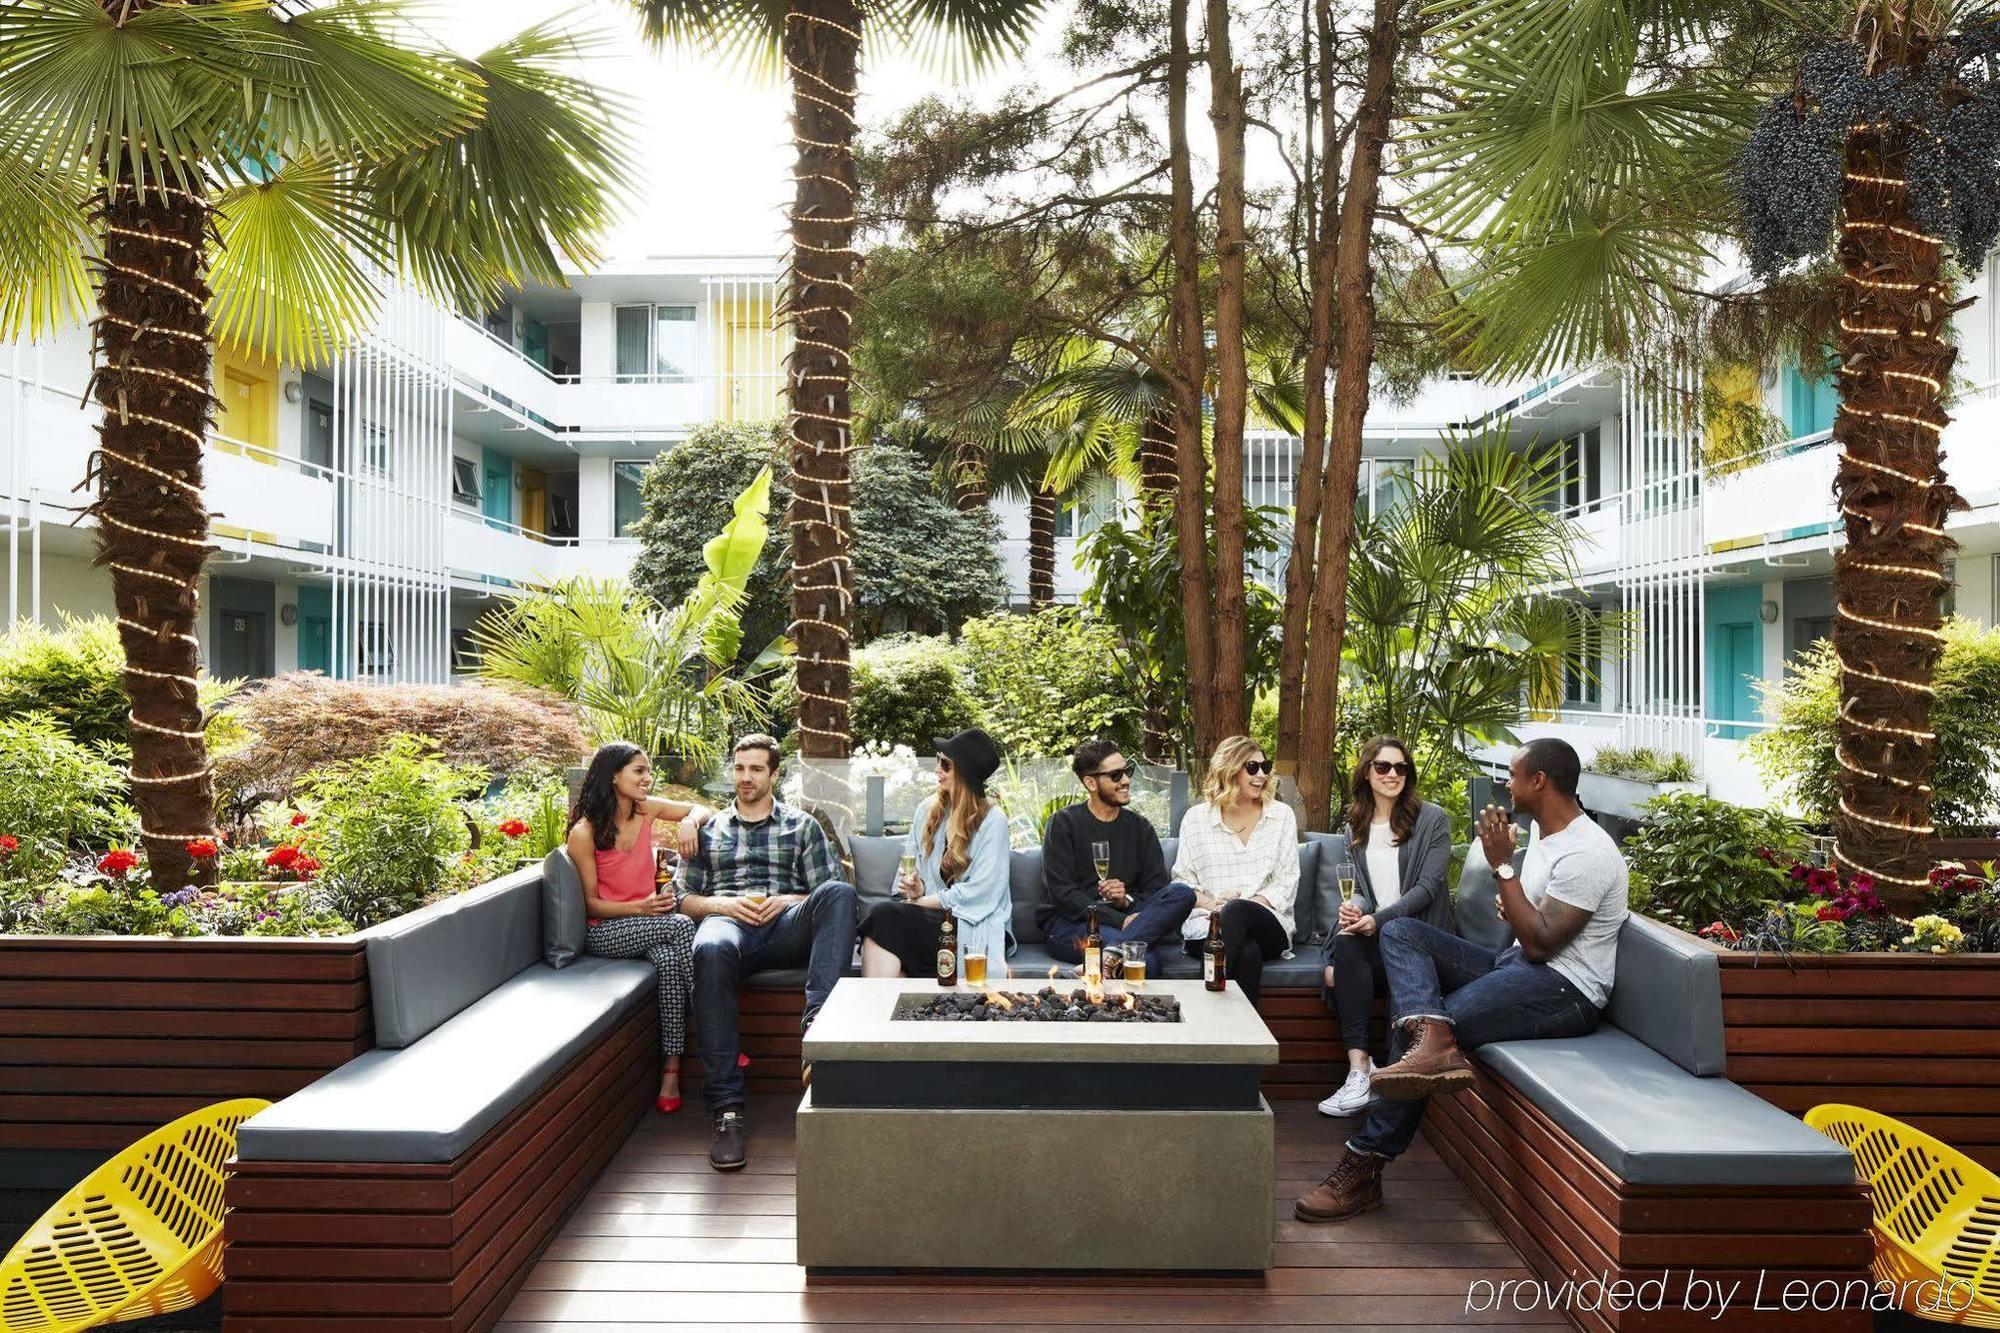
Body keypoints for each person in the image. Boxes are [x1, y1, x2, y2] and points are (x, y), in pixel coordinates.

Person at [1293, 737, 1628, 1224]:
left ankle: (1362, 1166)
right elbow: (1528, 924)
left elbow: (1541, 943)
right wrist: (1511, 896)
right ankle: (1426, 1042)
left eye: (1513, 775)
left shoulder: (1588, 852)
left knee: (1432, 1025)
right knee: (1404, 936)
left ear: (1539, 781)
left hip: (1565, 990)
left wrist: (1502, 868)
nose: (1506, 783)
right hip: (1520, 966)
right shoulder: (1545, 837)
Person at [682, 734, 859, 1172]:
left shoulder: (803, 826)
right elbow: (683, 897)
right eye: (740, 768)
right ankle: (727, 1111)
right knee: (707, 945)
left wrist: (789, 900)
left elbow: (827, 892)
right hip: (727, 925)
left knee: (838, 893)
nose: (746, 777)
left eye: (756, 769)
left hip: (784, 926)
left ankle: (817, 1024)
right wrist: (722, 904)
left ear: (774, 774)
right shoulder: (709, 828)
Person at [563, 742, 715, 1115]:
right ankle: (715, 1036)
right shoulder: (584, 833)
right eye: (639, 771)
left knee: (667, 963)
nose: (647, 778)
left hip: (646, 926)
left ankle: (671, 1072)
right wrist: (641, 907)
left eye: (648, 771)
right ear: (613, 776)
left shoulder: (645, 812)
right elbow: (590, 904)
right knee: (679, 925)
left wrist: (688, 822)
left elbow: (705, 808)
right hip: (605, 931)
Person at [1318, 736, 1453, 1118]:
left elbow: (1427, 889)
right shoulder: (1355, 827)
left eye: (1400, 767)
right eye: (1383, 766)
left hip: (1418, 937)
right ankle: (1359, 1070)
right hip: (1377, 934)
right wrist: (1356, 910)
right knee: (1346, 944)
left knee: (1349, 961)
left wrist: (1375, 919)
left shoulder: (1432, 819)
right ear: (1367, 772)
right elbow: (1361, 890)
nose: (1393, 774)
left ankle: (1388, 1079)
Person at [860, 729, 1013, 980]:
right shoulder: (928, 810)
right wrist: (914, 887)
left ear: (964, 773)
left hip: (972, 921)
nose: (937, 770)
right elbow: (910, 868)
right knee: (883, 921)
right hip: (931, 918)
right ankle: (888, 1010)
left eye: (946, 765)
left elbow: (982, 894)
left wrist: (921, 902)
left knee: (883, 918)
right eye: (937, 761)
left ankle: (879, 1011)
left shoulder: (993, 821)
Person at [1037, 739, 1195, 972]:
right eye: (1116, 775)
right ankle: (1117, 957)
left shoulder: (1140, 827)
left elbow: (1156, 890)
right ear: (1091, 782)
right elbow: (1063, 895)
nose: (1126, 780)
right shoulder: (1064, 823)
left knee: (1182, 892)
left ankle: (1112, 953)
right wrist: (1120, 920)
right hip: (1073, 924)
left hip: (1129, 918)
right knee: (1143, 961)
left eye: (1127, 771)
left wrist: (1126, 900)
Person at [1172, 736, 1300, 1006]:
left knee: (1236, 911)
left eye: (1265, 766)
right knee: (1248, 953)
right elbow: (1182, 883)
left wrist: (1239, 907)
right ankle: (1245, 1043)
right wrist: (1213, 905)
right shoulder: (1196, 819)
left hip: (1268, 921)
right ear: (1230, 770)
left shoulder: (1281, 815)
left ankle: (1203, 1013)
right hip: (1206, 924)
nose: (1262, 774)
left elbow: (1286, 882)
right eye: (1252, 767)